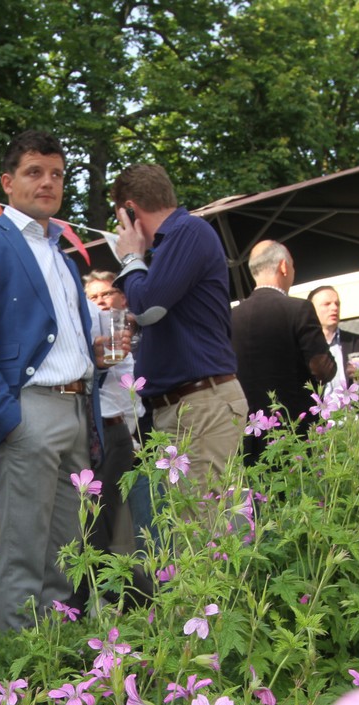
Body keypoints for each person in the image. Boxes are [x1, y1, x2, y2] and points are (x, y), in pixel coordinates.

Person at [0, 130, 100, 633]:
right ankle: (18, 669)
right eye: (35, 172)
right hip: (27, 412)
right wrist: (8, 419)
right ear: (7, 183)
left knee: (66, 559)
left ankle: (54, 665)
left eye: (57, 174)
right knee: (23, 556)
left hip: (77, 411)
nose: (48, 182)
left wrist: (93, 361)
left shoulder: (63, 257)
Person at [111, 163, 246, 488]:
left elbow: (149, 307)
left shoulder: (187, 231)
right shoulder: (176, 240)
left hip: (199, 403)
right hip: (189, 404)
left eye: (120, 219)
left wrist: (130, 257)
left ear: (130, 210)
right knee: (192, 516)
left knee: (203, 515)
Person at [232, 241, 335, 452]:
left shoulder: (231, 317)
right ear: (284, 267)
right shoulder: (299, 309)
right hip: (296, 432)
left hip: (250, 433)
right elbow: (322, 368)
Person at [82, 271, 139, 556]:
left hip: (132, 439)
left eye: (106, 294)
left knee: (130, 530)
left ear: (122, 297)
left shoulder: (138, 335)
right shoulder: (87, 340)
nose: (100, 301)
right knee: (100, 527)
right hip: (102, 435)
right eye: (92, 297)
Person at [307, 285, 359, 390]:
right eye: (327, 304)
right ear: (311, 310)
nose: (334, 308)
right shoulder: (303, 347)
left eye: (337, 304)